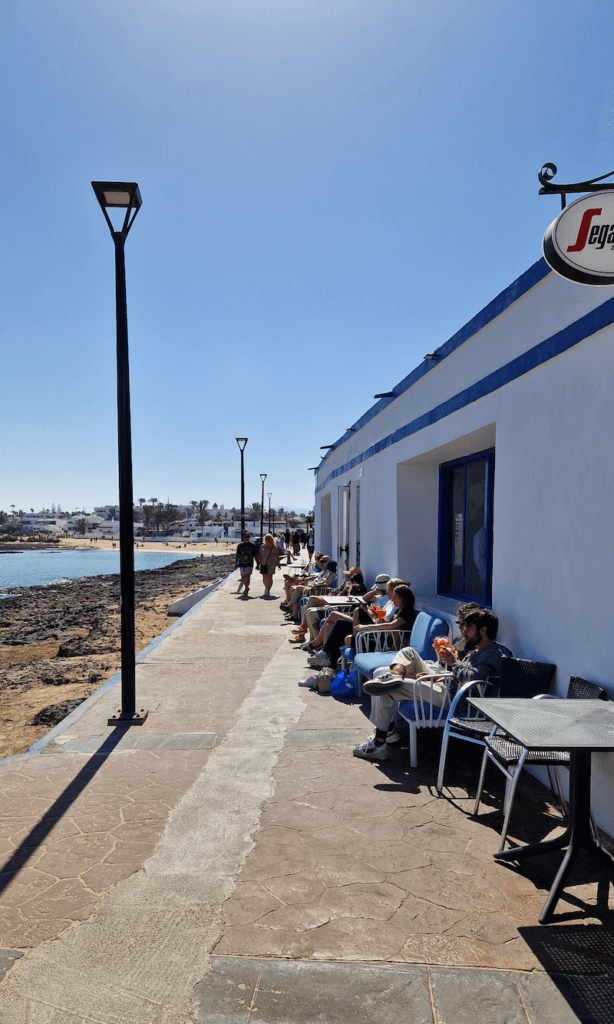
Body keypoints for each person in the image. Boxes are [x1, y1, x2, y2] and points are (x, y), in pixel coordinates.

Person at [353, 607, 502, 761]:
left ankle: (378, 744)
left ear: (483, 630)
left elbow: (473, 678)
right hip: (445, 687)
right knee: (408, 652)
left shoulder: (491, 654)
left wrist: (454, 662)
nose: (463, 632)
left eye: (468, 628)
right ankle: (395, 675)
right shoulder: (476, 650)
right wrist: (437, 677)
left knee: (387, 688)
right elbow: (458, 675)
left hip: (452, 699)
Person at [234, 530, 259, 598]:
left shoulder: (253, 546)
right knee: (243, 578)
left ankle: (246, 589)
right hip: (241, 563)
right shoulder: (240, 545)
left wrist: (258, 564)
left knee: (247, 576)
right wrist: (236, 563)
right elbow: (237, 555)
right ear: (243, 537)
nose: (247, 538)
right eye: (246, 536)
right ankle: (246, 587)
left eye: (248, 536)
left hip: (249, 563)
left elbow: (256, 555)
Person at [258, 533, 281, 597]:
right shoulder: (262, 546)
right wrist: (258, 564)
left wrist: (278, 564)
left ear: (272, 539)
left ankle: (268, 590)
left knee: (270, 577)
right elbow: (260, 555)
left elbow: (276, 556)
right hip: (263, 563)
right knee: (264, 577)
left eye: (269, 538)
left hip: (272, 564)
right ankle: (266, 587)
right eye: (266, 538)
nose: (267, 539)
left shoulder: (274, 547)